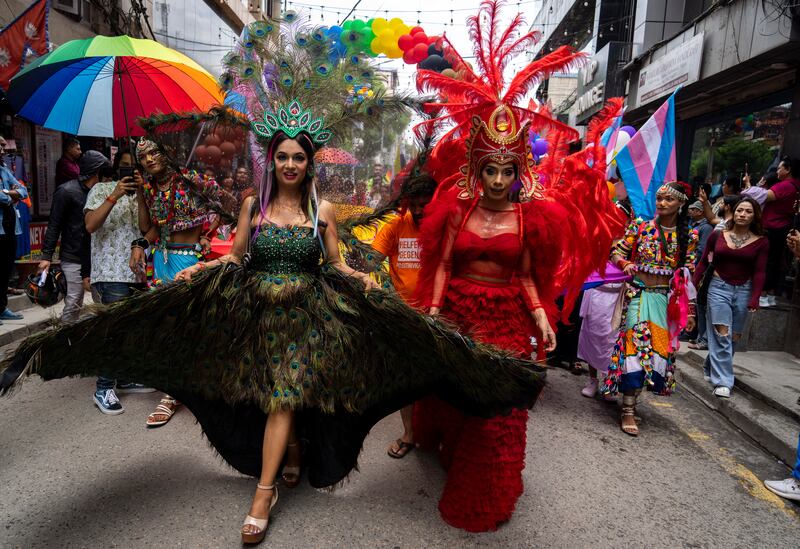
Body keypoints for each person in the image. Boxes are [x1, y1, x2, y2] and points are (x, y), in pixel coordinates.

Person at [131, 138, 236, 427]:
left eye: (154, 152)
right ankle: (174, 390)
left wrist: (209, 232)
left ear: (166, 153)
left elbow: (227, 202)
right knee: (166, 325)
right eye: (143, 156)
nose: (149, 159)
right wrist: (139, 241)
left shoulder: (191, 180)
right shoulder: (150, 188)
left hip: (189, 260)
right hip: (161, 260)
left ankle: (189, 389)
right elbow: (148, 228)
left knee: (193, 323)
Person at [603, 181, 700, 436]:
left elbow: (687, 275)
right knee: (635, 348)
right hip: (638, 296)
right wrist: (624, 263)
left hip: (665, 302)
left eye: (668, 199)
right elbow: (615, 251)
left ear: (680, 204)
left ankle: (633, 400)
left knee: (656, 352)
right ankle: (628, 409)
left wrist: (689, 310)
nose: (662, 203)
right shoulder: (642, 227)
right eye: (659, 198)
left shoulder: (688, 236)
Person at [370, 173, 437, 459]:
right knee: (406, 379)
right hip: (404, 317)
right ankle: (409, 433)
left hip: (440, 317)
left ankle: (436, 433)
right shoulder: (396, 226)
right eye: (415, 205)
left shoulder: (446, 227)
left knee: (437, 379)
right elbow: (370, 260)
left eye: (427, 204)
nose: (421, 211)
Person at [84, 158, 154, 414]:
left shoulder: (142, 194)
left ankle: (122, 377)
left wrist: (141, 196)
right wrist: (115, 194)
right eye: (125, 165)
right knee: (113, 331)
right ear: (116, 167)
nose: (131, 170)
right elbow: (91, 225)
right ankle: (103, 389)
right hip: (110, 273)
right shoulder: (100, 189)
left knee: (129, 330)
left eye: (135, 167)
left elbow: (147, 228)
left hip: (136, 274)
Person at [693, 197, 767, 398]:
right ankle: (724, 381)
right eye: (739, 210)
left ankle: (711, 365)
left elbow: (760, 272)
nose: (743, 214)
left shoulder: (761, 242)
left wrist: (755, 297)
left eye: (748, 211)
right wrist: (692, 285)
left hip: (744, 290)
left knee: (734, 338)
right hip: (718, 288)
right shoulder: (718, 235)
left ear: (754, 216)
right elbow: (702, 262)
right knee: (722, 334)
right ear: (733, 212)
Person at [39, 151, 110, 323]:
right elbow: (54, 224)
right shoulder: (66, 191)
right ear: (96, 171)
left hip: (98, 255)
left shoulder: (103, 192)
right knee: (74, 301)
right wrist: (46, 257)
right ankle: (65, 339)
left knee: (101, 300)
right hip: (73, 255)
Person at [761, 156, 800, 307]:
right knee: (776, 262)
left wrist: (754, 186)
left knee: (769, 261)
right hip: (783, 227)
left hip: (773, 228)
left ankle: (764, 293)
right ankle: (770, 294)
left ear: (788, 170)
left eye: (780, 168)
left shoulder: (785, 186)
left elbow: (763, 196)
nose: (777, 170)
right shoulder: (796, 186)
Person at [0, 135, 29, 322]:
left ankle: (2, 308)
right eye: (0, 146)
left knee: (5, 268)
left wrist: (10, 193)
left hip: (10, 226)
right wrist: (12, 196)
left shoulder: (3, 170)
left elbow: (23, 190)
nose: (3, 150)